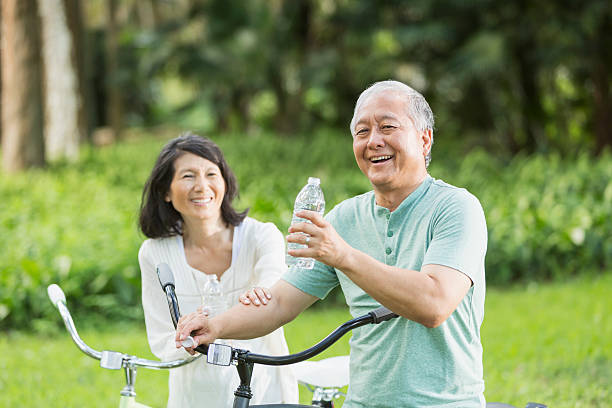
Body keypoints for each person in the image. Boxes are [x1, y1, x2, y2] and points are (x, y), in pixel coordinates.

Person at [176, 80, 488, 407]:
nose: (373, 141)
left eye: (387, 127)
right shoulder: (344, 219)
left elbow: (434, 303)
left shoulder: (456, 208)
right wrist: (215, 325)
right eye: (362, 132)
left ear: (424, 140)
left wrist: (343, 256)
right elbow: (281, 302)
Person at [138, 132, 298, 408]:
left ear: (225, 182)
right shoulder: (155, 253)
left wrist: (260, 296)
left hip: (262, 388)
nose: (202, 186)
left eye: (211, 174)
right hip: (195, 396)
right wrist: (186, 339)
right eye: (188, 176)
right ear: (165, 191)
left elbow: (273, 291)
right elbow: (161, 337)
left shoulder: (262, 237)